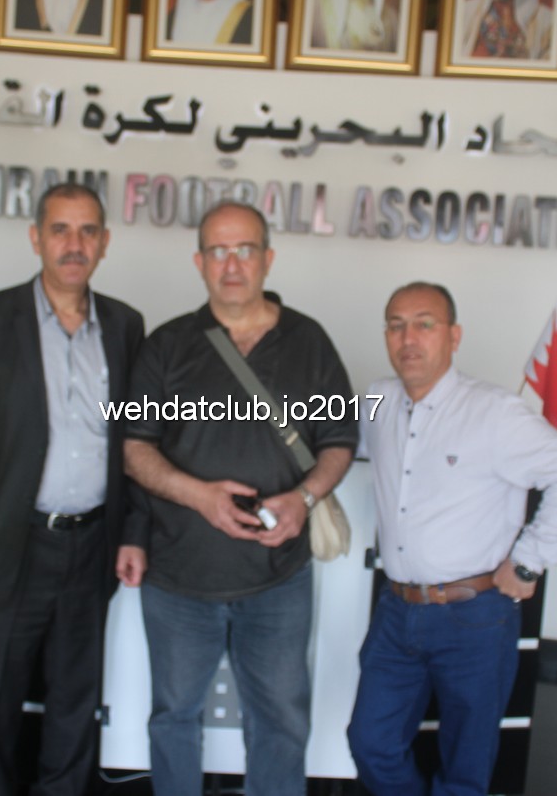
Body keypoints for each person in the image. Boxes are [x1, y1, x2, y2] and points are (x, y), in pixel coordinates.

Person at [120, 202, 356, 796]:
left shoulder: (309, 341)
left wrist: (304, 498)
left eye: (245, 250)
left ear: (267, 259)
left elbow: (339, 441)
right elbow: (135, 448)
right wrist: (199, 496)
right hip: (180, 579)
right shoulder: (167, 345)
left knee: (281, 723)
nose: (232, 264)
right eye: (218, 251)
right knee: (173, 718)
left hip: (278, 581)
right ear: (199, 261)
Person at [347, 282, 557, 796]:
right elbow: (322, 436)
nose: (408, 338)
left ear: (454, 336)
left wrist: (528, 561)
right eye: (396, 326)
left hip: (475, 617)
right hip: (397, 612)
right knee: (371, 742)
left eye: (424, 324)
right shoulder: (377, 399)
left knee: (466, 762)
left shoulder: (494, 412)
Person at [0, 183, 144, 796]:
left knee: (75, 701)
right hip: (12, 543)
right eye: (60, 229)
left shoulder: (125, 325)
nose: (73, 244)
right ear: (36, 238)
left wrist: (133, 532)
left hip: (92, 544)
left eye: (87, 231)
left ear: (105, 243)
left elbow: (137, 441)